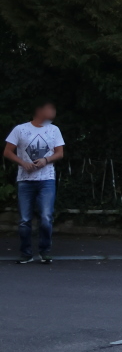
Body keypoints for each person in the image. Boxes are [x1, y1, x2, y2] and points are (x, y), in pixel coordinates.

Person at [4, 100, 65, 264]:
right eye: (49, 109)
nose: (53, 112)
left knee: (46, 217)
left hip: (47, 179)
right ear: (39, 111)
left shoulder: (54, 130)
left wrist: (46, 160)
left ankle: (45, 251)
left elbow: (60, 153)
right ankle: (26, 253)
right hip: (25, 180)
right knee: (25, 220)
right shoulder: (20, 129)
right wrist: (23, 163)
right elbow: (8, 151)